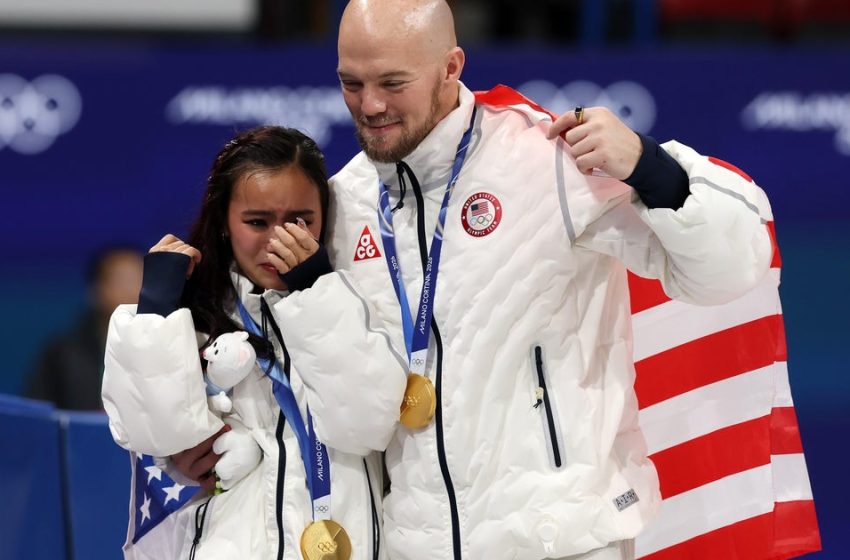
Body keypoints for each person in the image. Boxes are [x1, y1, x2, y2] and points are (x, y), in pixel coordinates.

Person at [271, 2, 775, 560]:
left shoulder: (547, 158)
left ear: (450, 66)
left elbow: (729, 271)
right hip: (417, 545)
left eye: (393, 82)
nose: (369, 105)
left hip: (564, 541)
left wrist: (646, 164)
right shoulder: (345, 204)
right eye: (351, 83)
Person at [101, 126, 401, 559]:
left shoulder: (358, 301)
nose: (279, 239)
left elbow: (369, 424)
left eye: (300, 221)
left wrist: (314, 292)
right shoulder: (192, 316)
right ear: (224, 223)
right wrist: (157, 312)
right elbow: (155, 434)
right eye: (257, 222)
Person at [25, 246, 143, 410]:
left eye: (140, 280)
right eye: (122, 280)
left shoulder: (162, 347)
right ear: (97, 289)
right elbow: (37, 413)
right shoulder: (63, 353)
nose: (132, 291)